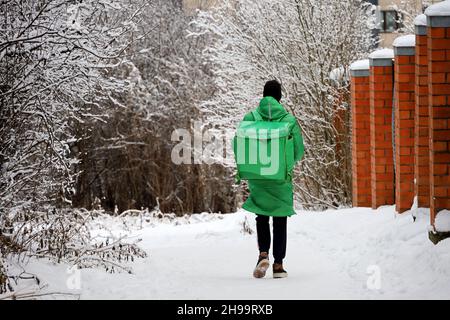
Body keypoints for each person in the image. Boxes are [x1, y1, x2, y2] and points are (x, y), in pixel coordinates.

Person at [241, 80, 304, 279]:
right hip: (280, 176)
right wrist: (284, 165)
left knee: (261, 215)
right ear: (280, 97)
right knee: (280, 218)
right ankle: (278, 265)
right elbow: (298, 151)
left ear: (263, 95)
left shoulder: (250, 118)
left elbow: (242, 144)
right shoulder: (289, 120)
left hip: (258, 176)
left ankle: (262, 254)